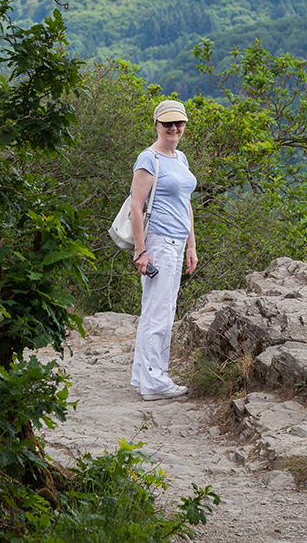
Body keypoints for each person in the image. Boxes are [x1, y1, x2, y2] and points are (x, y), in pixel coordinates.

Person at [129, 99, 198, 401]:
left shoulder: (179, 158)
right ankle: (155, 383)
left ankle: (143, 377)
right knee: (159, 315)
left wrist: (191, 246)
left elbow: (186, 203)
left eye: (179, 123)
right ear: (157, 125)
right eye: (168, 123)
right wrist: (141, 250)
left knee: (160, 312)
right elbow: (135, 205)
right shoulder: (149, 159)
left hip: (177, 242)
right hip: (158, 242)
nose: (174, 128)